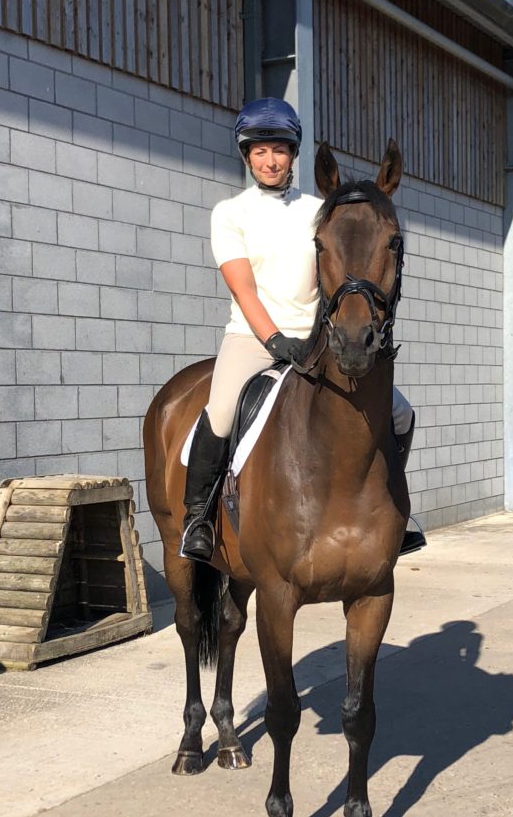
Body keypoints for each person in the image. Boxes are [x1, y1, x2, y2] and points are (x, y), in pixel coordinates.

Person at [180, 97, 424, 562]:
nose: (270, 161)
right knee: (222, 410)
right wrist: (273, 339)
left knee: (401, 414)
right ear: (247, 156)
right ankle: (199, 519)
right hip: (254, 338)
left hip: (317, 341)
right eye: (259, 151)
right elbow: (243, 288)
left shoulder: (320, 210)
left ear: (293, 155)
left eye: (280, 150)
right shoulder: (231, 214)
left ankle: (393, 509)